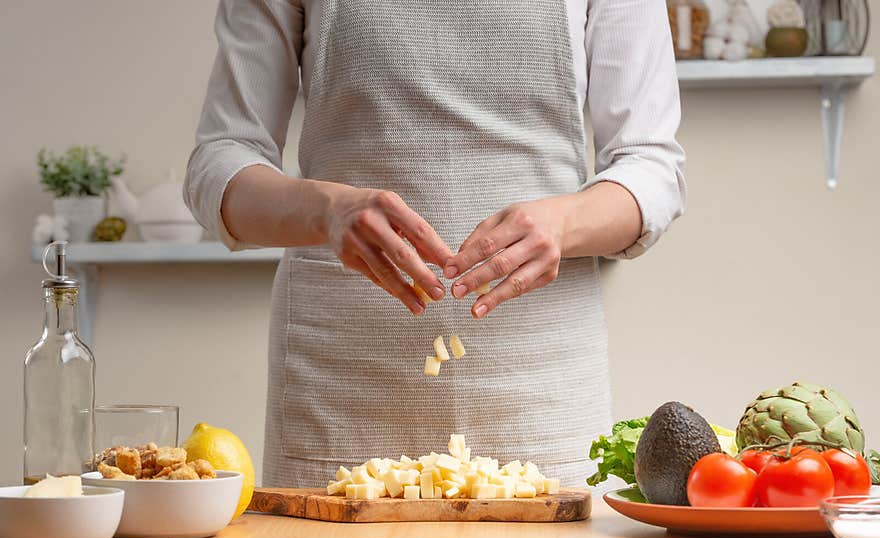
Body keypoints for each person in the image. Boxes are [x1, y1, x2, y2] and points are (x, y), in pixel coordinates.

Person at [184, 0, 686, 487]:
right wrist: (326, 210)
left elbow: (651, 166)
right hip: (341, 383)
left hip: (538, 381)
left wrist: (564, 222)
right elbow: (220, 160)